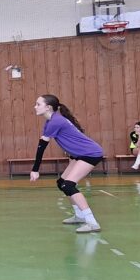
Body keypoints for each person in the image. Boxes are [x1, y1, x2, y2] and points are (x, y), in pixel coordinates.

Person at [29, 95, 104, 233]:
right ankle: (79, 216)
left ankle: (92, 222)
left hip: (90, 153)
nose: (35, 107)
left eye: (38, 104)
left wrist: (35, 169)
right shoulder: (50, 121)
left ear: (48, 107)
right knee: (62, 183)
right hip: (79, 155)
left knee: (68, 185)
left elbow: (41, 147)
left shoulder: (55, 121)